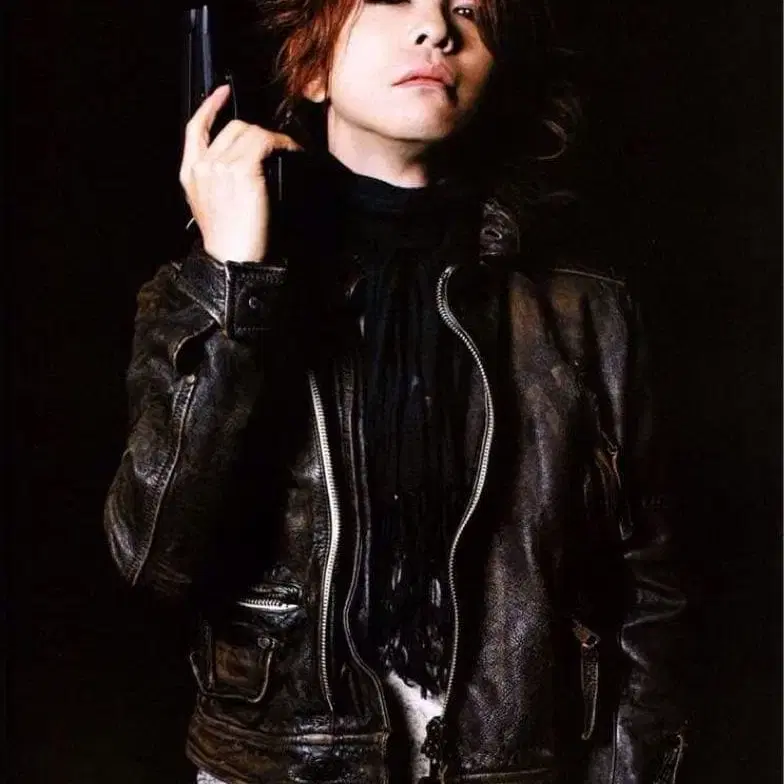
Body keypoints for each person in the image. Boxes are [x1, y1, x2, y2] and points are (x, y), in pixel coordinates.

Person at [104, 0, 690, 781]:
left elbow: (647, 594)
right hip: (284, 768)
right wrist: (235, 283)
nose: (437, 28)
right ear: (310, 68)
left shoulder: (586, 309)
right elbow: (156, 559)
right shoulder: (209, 293)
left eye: (468, 9)